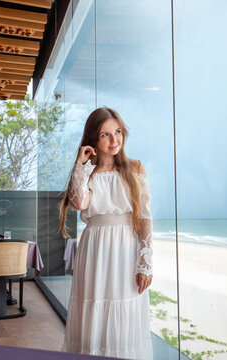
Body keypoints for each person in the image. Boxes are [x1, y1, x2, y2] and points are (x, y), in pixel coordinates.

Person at [59, 107, 153, 359]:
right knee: (94, 314)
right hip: (95, 250)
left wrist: (145, 264)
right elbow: (79, 203)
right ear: (93, 139)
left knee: (125, 319)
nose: (115, 141)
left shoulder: (135, 168)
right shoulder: (87, 173)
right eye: (106, 135)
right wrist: (80, 165)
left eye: (118, 132)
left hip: (126, 249)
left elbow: (144, 218)